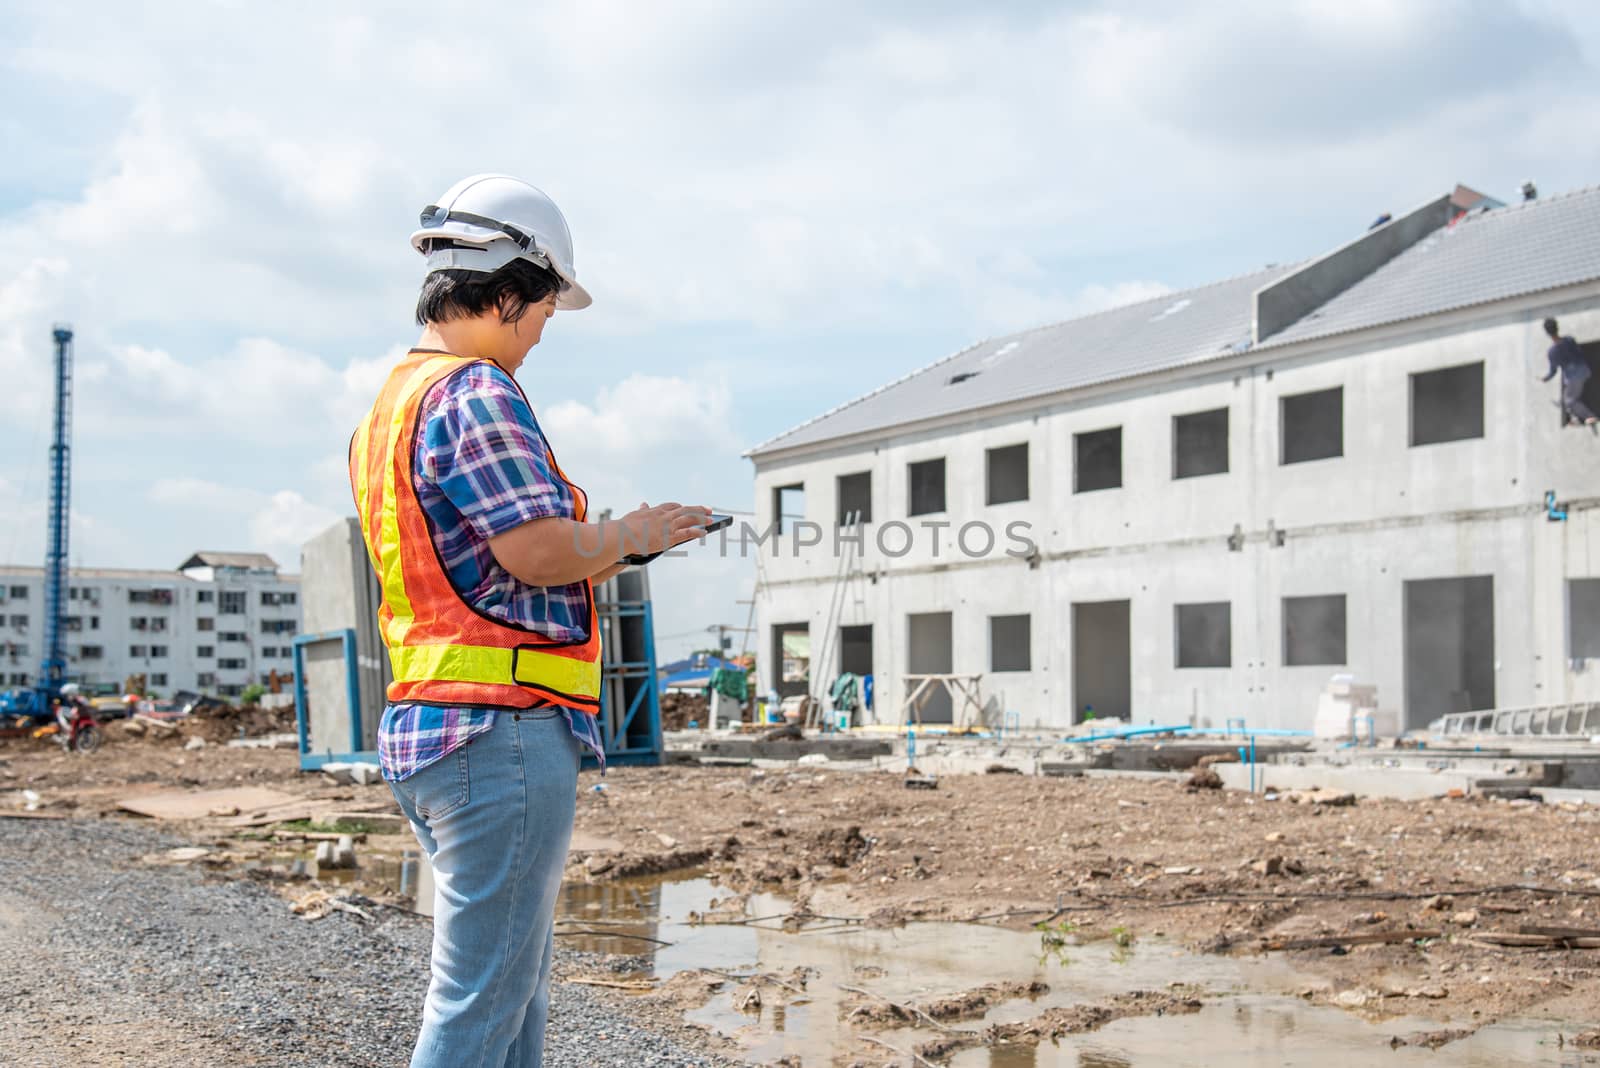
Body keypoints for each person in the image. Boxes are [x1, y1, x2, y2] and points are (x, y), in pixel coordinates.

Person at [349, 173, 709, 1068]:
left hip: (435, 727)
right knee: (478, 1008)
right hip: (497, 734)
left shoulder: (387, 408)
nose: (546, 327)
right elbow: (536, 552)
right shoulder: (476, 391)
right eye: (546, 306)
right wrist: (635, 534)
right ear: (509, 287)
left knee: (510, 993)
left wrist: (617, 544)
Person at [1542, 317, 1597, 426]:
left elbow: (1553, 371)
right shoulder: (1569, 340)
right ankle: (1571, 414)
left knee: (1570, 400)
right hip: (1584, 370)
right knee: (1567, 395)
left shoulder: (1552, 352)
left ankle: (1589, 416)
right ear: (1557, 328)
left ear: (1547, 333)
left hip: (1574, 377)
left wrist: (1545, 378)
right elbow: (1580, 352)